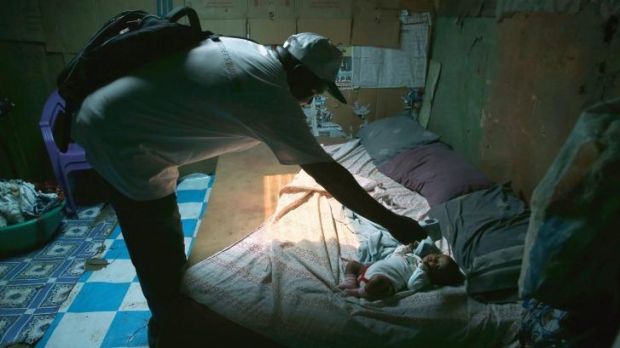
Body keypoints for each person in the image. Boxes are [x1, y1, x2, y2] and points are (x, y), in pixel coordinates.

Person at [71, 32, 427, 346]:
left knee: (160, 234)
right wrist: (393, 222)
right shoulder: (268, 91)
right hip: (120, 139)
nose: (309, 102)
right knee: (157, 242)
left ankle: (173, 314)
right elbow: (327, 172)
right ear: (299, 74)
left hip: (113, 116)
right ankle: (172, 331)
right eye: (314, 91)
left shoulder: (248, 51)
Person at [338, 242, 464, 300]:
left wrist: (423, 268)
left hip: (383, 283)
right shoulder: (417, 259)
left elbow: (412, 285)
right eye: (437, 257)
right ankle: (350, 281)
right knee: (352, 264)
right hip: (366, 271)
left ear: (437, 277)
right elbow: (396, 256)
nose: (433, 260)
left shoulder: (424, 277)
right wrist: (405, 248)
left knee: (377, 281)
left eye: (436, 266)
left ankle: (359, 292)